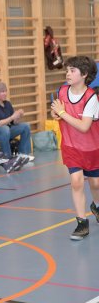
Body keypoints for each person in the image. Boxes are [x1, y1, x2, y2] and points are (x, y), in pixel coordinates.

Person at [51, 56, 99, 240]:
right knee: (77, 182)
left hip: (92, 148)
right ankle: (81, 223)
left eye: (72, 71)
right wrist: (55, 113)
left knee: (96, 184)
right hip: (71, 146)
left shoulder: (91, 97)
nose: (68, 74)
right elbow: (56, 110)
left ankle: (96, 206)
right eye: (67, 70)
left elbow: (84, 126)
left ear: (84, 74)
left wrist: (62, 113)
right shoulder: (62, 91)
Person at [0, 82, 33, 163]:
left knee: (25, 126)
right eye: (2, 91)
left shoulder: (7, 104)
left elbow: (13, 122)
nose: (5, 93)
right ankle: (7, 158)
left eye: (6, 91)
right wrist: (12, 117)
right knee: (4, 129)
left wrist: (18, 116)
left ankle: (23, 155)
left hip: (6, 131)